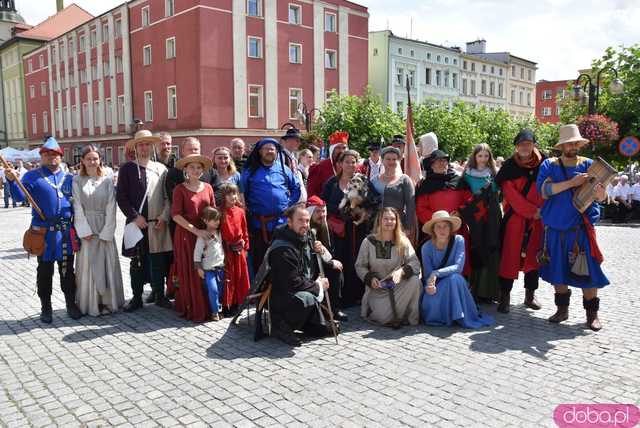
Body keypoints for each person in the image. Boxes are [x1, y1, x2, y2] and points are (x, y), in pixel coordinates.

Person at [537, 124, 609, 331]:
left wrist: (600, 193)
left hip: (580, 230)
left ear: (579, 143)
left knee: (589, 273)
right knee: (557, 271)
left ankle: (592, 315)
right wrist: (572, 182)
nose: (572, 145)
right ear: (562, 145)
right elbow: (544, 191)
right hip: (555, 228)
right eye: (568, 143)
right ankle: (562, 310)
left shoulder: (589, 164)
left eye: (575, 142)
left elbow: (602, 197)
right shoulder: (549, 165)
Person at [4, 137, 82, 323]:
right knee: (45, 272)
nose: (51, 157)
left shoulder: (70, 178)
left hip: (64, 233)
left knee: (67, 271)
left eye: (54, 154)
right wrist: (12, 181)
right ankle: (46, 308)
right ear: (41, 156)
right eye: (47, 154)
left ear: (61, 157)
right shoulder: (32, 176)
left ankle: (71, 304)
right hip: (44, 235)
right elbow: (19, 196)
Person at [116, 130, 173, 312]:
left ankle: (159, 294)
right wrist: (134, 216)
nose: (144, 147)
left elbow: (167, 198)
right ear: (136, 147)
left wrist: (164, 217)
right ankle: (137, 297)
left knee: (158, 261)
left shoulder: (161, 169)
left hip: (157, 223)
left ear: (152, 146)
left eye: (147, 144)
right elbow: (121, 197)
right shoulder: (127, 169)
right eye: (141, 144)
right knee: (137, 262)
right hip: (136, 223)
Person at [268, 204, 334, 347]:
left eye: (307, 221)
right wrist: (318, 285)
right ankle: (281, 326)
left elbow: (311, 266)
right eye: (300, 221)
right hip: (285, 298)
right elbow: (293, 282)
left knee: (323, 330)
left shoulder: (307, 236)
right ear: (289, 222)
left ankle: (308, 321)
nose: (305, 225)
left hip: (303, 287)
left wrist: (319, 250)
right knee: (307, 297)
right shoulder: (282, 249)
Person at [495, 129, 545, 313]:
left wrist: (540, 212)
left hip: (538, 219)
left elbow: (548, 187)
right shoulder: (509, 166)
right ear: (516, 147)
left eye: (528, 144)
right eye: (521, 144)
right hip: (516, 218)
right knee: (509, 256)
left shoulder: (545, 163)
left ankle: (530, 295)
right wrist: (532, 212)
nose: (525, 147)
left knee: (533, 257)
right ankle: (504, 296)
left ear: (534, 145)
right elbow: (511, 195)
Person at [321, 150, 380, 307]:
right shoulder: (332, 183)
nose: (350, 165)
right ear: (340, 164)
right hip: (338, 230)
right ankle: (340, 296)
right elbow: (324, 204)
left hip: (358, 228)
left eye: (353, 161)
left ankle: (358, 295)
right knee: (340, 259)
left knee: (359, 259)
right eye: (347, 161)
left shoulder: (364, 181)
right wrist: (344, 210)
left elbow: (375, 203)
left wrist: (362, 212)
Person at [72, 145, 125, 316]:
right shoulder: (77, 181)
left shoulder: (107, 181)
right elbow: (77, 206)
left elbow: (111, 206)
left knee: (107, 264)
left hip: (104, 226)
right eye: (89, 159)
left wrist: (107, 231)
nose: (92, 162)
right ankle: (91, 303)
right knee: (89, 265)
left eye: (95, 158)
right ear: (83, 161)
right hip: (87, 228)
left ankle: (109, 302)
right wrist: (83, 230)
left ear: (100, 160)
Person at [420, 211, 495, 328]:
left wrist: (437, 272)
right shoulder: (426, 248)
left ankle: (460, 316)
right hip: (438, 284)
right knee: (431, 299)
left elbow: (458, 267)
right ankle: (449, 316)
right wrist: (429, 287)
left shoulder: (459, 240)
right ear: (433, 230)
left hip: (455, 281)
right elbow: (428, 275)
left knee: (454, 278)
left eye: (445, 226)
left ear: (450, 229)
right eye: (438, 227)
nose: (442, 230)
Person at [241, 138, 301, 273]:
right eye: (266, 149)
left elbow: (296, 188)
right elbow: (242, 193)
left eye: (272, 149)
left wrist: (288, 206)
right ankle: (260, 292)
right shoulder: (250, 170)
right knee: (260, 262)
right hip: (258, 225)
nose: (269, 151)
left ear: (276, 151)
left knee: (282, 259)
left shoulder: (284, 169)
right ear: (259, 152)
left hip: (282, 224)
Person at [355, 207, 421, 328]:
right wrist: (370, 278)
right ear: (379, 220)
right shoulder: (368, 241)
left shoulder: (403, 241)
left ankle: (407, 317)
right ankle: (394, 315)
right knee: (383, 318)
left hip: (397, 286)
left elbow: (415, 263)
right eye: (386, 219)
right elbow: (360, 266)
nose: (389, 222)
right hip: (378, 289)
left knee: (414, 281)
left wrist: (402, 271)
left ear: (396, 222)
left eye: (392, 219)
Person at [172, 153, 216, 322]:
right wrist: (196, 231)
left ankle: (209, 306)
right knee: (190, 270)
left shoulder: (208, 187)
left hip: (205, 235)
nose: (196, 170)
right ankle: (192, 306)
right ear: (186, 170)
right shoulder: (179, 189)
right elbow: (175, 215)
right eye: (192, 167)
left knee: (206, 269)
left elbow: (213, 211)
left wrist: (211, 231)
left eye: (199, 167)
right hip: (186, 235)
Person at [415, 149, 472, 271]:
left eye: (444, 160)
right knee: (436, 264)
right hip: (435, 230)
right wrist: (438, 222)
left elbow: (469, 201)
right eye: (437, 161)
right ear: (431, 164)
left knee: (459, 263)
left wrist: (460, 212)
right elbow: (421, 209)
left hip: (457, 228)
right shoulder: (424, 185)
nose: (441, 163)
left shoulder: (459, 181)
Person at [461, 143, 502, 303]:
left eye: (486, 156)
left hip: (492, 217)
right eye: (480, 156)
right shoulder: (466, 175)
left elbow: (499, 195)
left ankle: (491, 291)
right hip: (475, 219)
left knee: (492, 249)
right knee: (476, 248)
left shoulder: (494, 174)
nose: (483, 159)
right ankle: (476, 289)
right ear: (475, 156)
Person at [307, 195, 347, 321]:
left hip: (323, 264)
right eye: (318, 211)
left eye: (323, 211)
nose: (322, 214)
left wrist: (331, 262)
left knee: (337, 271)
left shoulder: (326, 227)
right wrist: (330, 264)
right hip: (309, 269)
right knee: (333, 269)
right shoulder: (307, 230)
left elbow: (330, 252)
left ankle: (334, 308)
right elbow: (310, 258)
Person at [218, 183, 250, 317]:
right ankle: (227, 305)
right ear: (223, 196)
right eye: (229, 194)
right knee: (228, 278)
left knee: (240, 277)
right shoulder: (220, 212)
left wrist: (246, 247)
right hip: (226, 250)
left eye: (235, 193)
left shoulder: (240, 211)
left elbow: (244, 230)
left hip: (239, 250)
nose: (233, 196)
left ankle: (238, 303)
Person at [371, 147, 416, 236]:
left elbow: (411, 205)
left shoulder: (405, 180)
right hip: (377, 224)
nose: (391, 162)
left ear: (398, 161)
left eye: (394, 159)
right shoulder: (374, 180)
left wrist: (407, 227)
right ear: (382, 160)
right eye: (388, 159)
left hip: (398, 224)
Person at [194, 206, 225, 321]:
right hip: (208, 270)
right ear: (206, 220)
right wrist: (199, 268)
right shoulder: (202, 236)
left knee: (220, 291)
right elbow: (197, 253)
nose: (217, 222)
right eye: (214, 220)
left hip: (220, 268)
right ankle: (214, 311)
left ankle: (219, 309)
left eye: (218, 219)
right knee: (213, 290)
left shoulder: (219, 233)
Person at [307, 131, 348, 198]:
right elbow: (311, 192)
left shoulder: (350, 167)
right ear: (332, 149)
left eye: (344, 148)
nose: (341, 151)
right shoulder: (320, 167)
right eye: (338, 148)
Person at [281, 127, 307, 203]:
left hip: (295, 197)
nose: (299, 143)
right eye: (297, 140)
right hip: (287, 196)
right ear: (288, 140)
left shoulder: (293, 158)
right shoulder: (281, 156)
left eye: (299, 141)